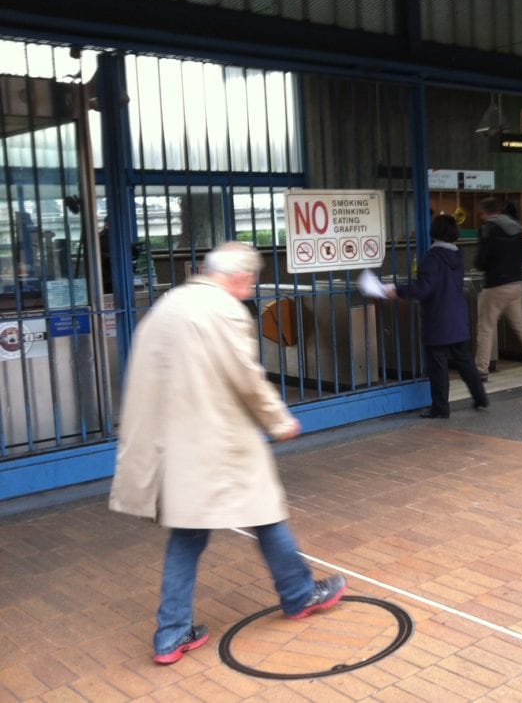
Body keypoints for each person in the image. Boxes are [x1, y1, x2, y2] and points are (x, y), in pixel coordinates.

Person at [108, 242, 346, 665]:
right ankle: (299, 594)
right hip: (220, 440)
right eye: (251, 281)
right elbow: (247, 378)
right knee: (266, 513)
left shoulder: (169, 305)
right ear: (238, 277)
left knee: (187, 533)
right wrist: (278, 420)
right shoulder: (224, 310)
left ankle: (171, 635)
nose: (252, 290)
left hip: (177, 446)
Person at [392, 214, 489, 418]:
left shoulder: (432, 257)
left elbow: (425, 288)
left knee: (438, 366)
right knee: (465, 362)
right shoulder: (457, 256)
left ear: (434, 232)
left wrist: (398, 291)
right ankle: (480, 397)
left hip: (438, 318)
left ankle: (440, 407)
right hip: (458, 316)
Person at [473, 197, 522, 383]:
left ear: (484, 212)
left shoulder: (488, 229)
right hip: (516, 283)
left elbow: (482, 260)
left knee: (486, 328)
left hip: (495, 286)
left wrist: (481, 265)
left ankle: (481, 370)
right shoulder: (516, 227)